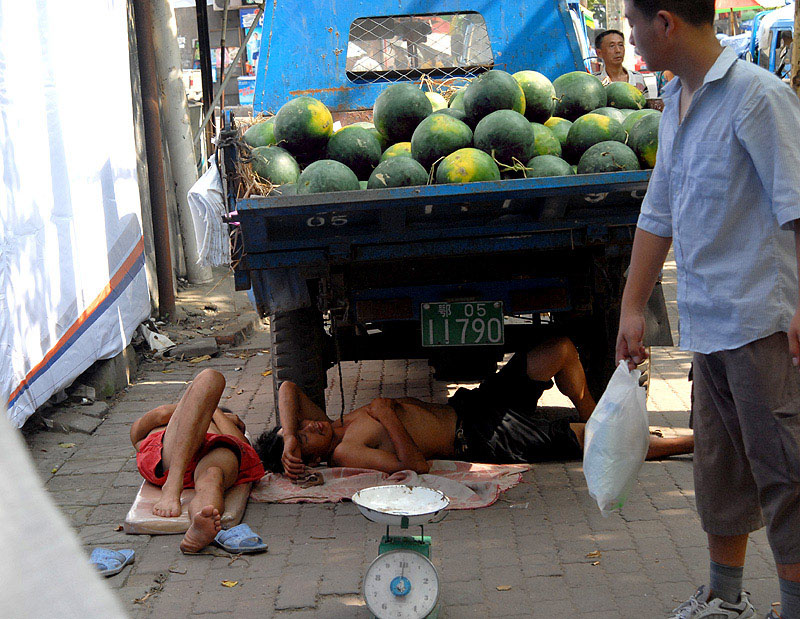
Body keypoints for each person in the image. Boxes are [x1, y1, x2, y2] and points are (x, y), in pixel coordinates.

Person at [617, 1, 800, 618]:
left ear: (665, 23)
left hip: (762, 321)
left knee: (784, 473)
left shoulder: (756, 97)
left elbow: (797, 204)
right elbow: (659, 210)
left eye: (634, 22)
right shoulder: (676, 102)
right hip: (708, 324)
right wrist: (631, 306)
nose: (630, 36)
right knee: (720, 471)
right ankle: (726, 599)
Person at [254, 337, 693, 479]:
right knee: (598, 443)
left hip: (474, 404)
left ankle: (593, 410)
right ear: (312, 459)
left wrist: (289, 434)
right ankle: (695, 441)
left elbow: (289, 387)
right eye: (307, 435)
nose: (312, 425)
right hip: (479, 437)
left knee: (559, 349)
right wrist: (387, 416)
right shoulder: (346, 451)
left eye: (304, 428)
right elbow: (416, 467)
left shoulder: (330, 423)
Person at [130, 369, 265, 553]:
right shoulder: (171, 419)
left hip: (212, 451)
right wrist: (206, 409)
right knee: (211, 377)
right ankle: (173, 485)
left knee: (212, 477)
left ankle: (200, 524)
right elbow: (157, 417)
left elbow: (242, 446)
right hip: (171, 455)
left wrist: (216, 414)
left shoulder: (220, 423)